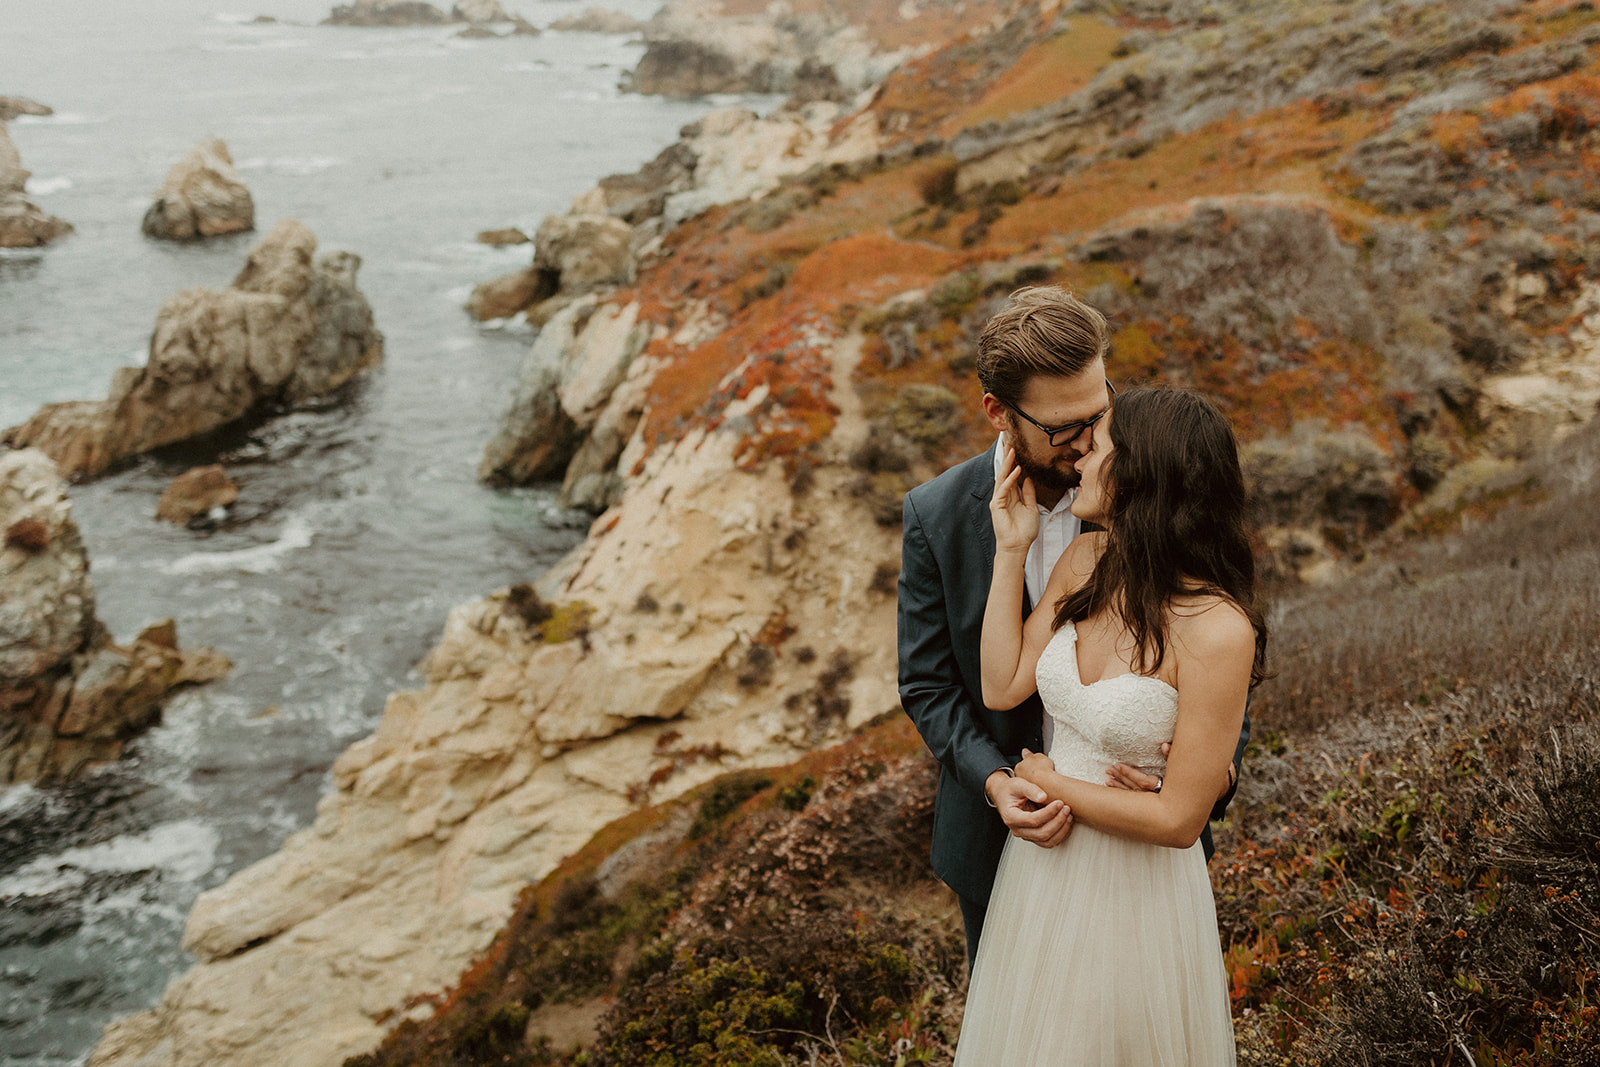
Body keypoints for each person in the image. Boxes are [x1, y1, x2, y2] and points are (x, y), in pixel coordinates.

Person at [896, 286, 1248, 970]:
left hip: (1142, 845)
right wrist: (999, 781)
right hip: (1001, 847)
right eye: (1064, 428)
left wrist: (1215, 773)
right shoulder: (936, 513)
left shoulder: (1147, 479)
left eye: (1100, 412)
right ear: (1000, 413)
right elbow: (930, 684)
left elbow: (1217, 649)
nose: (1088, 443)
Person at [954, 386, 1267, 1063]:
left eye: (1098, 446)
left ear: (1139, 473)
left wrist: (1049, 779)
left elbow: (1180, 821)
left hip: (1139, 887)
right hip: (1042, 875)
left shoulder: (1218, 628)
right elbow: (1002, 681)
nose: (1081, 460)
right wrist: (1013, 548)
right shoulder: (1086, 562)